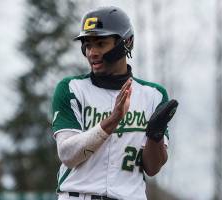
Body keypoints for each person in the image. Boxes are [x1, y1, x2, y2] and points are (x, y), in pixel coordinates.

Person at [51, 6, 178, 200]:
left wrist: (156, 135)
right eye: (87, 44)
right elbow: (68, 154)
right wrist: (112, 121)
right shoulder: (71, 88)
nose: (92, 52)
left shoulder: (153, 95)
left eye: (101, 43)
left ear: (126, 42)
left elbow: (152, 168)